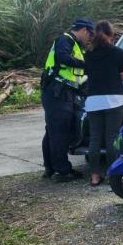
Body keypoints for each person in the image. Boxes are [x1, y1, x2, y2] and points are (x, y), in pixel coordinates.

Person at [41, 19, 94, 182]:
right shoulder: (65, 40)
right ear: (84, 30)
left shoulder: (74, 45)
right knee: (59, 132)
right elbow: (63, 58)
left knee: (53, 131)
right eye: (90, 35)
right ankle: (62, 171)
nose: (90, 39)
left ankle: (51, 168)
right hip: (58, 92)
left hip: (60, 92)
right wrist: (86, 64)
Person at [84, 21, 123, 186]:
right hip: (113, 99)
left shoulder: (88, 53)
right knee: (112, 138)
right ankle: (112, 174)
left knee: (95, 139)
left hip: (93, 100)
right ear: (111, 34)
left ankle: (94, 176)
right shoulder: (118, 52)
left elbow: (91, 74)